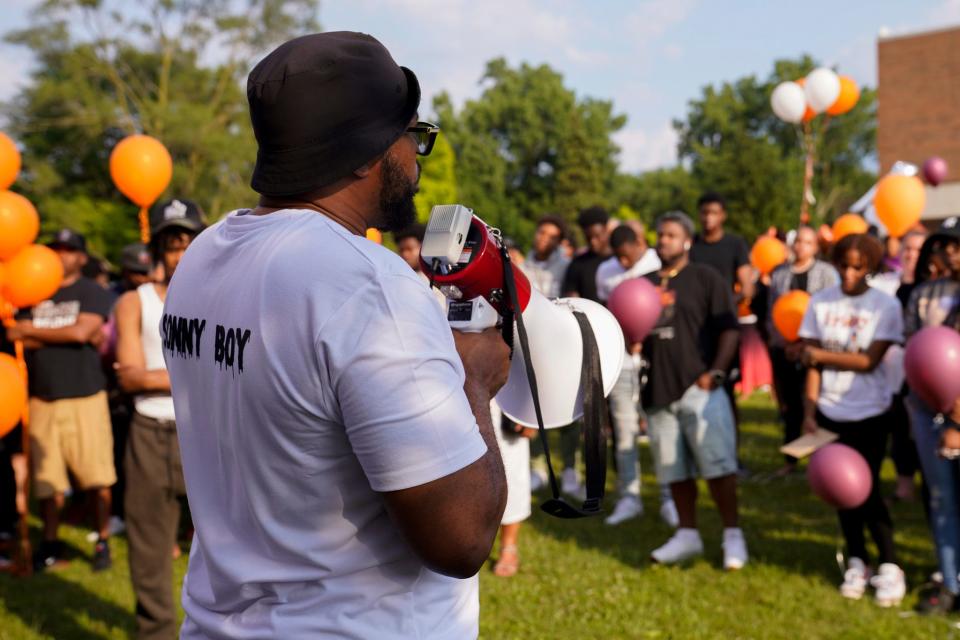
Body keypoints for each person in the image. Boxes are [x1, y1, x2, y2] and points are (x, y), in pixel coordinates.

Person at [162, 32, 508, 639]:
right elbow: (462, 540)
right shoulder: (367, 287)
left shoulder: (203, 256)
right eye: (412, 135)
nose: (416, 158)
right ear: (363, 151)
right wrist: (474, 380)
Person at [799, 233, 906, 607]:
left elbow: (869, 361)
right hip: (829, 411)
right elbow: (810, 367)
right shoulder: (820, 303)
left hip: (870, 413)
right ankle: (857, 560)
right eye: (843, 265)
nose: (848, 274)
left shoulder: (885, 307)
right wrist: (809, 413)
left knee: (868, 489)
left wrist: (819, 356)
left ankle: (890, 563)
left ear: (871, 268)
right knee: (840, 490)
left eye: (857, 267)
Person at [114, 199, 205, 639]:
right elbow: (130, 378)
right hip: (150, 432)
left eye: (188, 242)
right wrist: (200, 371)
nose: (180, 253)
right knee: (149, 550)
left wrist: (165, 375)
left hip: (206, 432)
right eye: (172, 244)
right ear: (159, 251)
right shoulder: (136, 302)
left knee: (233, 544)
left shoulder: (221, 298)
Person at [640, 212, 746, 570]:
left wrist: (715, 372)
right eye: (660, 234)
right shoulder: (642, 284)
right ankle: (687, 534)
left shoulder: (705, 278)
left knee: (717, 468)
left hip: (698, 387)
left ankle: (733, 535)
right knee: (674, 471)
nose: (663, 240)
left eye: (670, 234)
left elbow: (730, 328)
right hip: (657, 389)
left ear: (687, 241)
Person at [6, 228, 116, 571]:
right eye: (55, 247)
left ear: (82, 257)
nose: (60, 253)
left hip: (85, 397)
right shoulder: (31, 290)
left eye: (68, 249)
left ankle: (102, 541)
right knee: (47, 481)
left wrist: (34, 332)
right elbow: (15, 335)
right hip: (41, 399)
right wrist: (65, 335)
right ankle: (51, 544)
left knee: (97, 477)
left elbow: (84, 331)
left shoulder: (92, 291)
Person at [596, 224, 678, 527]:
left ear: (639, 244)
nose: (624, 263)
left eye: (627, 255)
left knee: (660, 430)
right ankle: (629, 496)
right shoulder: (605, 271)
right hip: (620, 359)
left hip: (655, 361)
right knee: (623, 428)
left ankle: (670, 495)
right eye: (618, 257)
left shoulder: (659, 265)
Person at [903, 218, 960, 614]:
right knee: (941, 498)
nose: (952, 254)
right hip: (926, 410)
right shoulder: (922, 295)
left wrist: (957, 420)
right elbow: (916, 353)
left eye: (958, 246)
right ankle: (951, 580)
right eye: (946, 246)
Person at [767, 226, 839, 476]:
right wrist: (785, 343)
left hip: (815, 350)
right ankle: (790, 459)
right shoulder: (779, 274)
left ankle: (822, 459)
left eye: (808, 242)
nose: (801, 246)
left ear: (816, 247)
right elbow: (773, 314)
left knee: (814, 403)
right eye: (798, 241)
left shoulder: (827, 274)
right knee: (789, 406)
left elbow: (832, 311)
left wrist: (806, 345)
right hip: (785, 350)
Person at [553, 206, 612, 497]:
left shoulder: (619, 261)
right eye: (590, 236)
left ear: (607, 230)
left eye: (599, 234)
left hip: (618, 347)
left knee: (620, 422)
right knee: (585, 417)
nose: (595, 240)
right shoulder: (578, 264)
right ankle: (577, 475)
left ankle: (626, 485)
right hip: (586, 346)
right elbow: (570, 300)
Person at [525, 214, 570, 299]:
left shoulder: (567, 267)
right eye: (542, 233)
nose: (545, 238)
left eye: (552, 237)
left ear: (559, 242)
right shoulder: (521, 268)